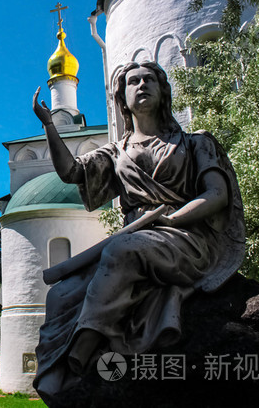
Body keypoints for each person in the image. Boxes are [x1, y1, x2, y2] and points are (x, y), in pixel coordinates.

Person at [31, 61, 245, 403]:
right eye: (133, 81)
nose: (142, 85)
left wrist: (173, 221)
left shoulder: (195, 143)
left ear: (163, 92)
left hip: (186, 236)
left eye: (149, 80)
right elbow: (72, 172)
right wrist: (49, 128)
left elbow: (217, 196)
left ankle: (81, 351)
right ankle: (54, 373)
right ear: (123, 98)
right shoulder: (117, 153)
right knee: (60, 294)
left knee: (123, 251)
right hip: (137, 236)